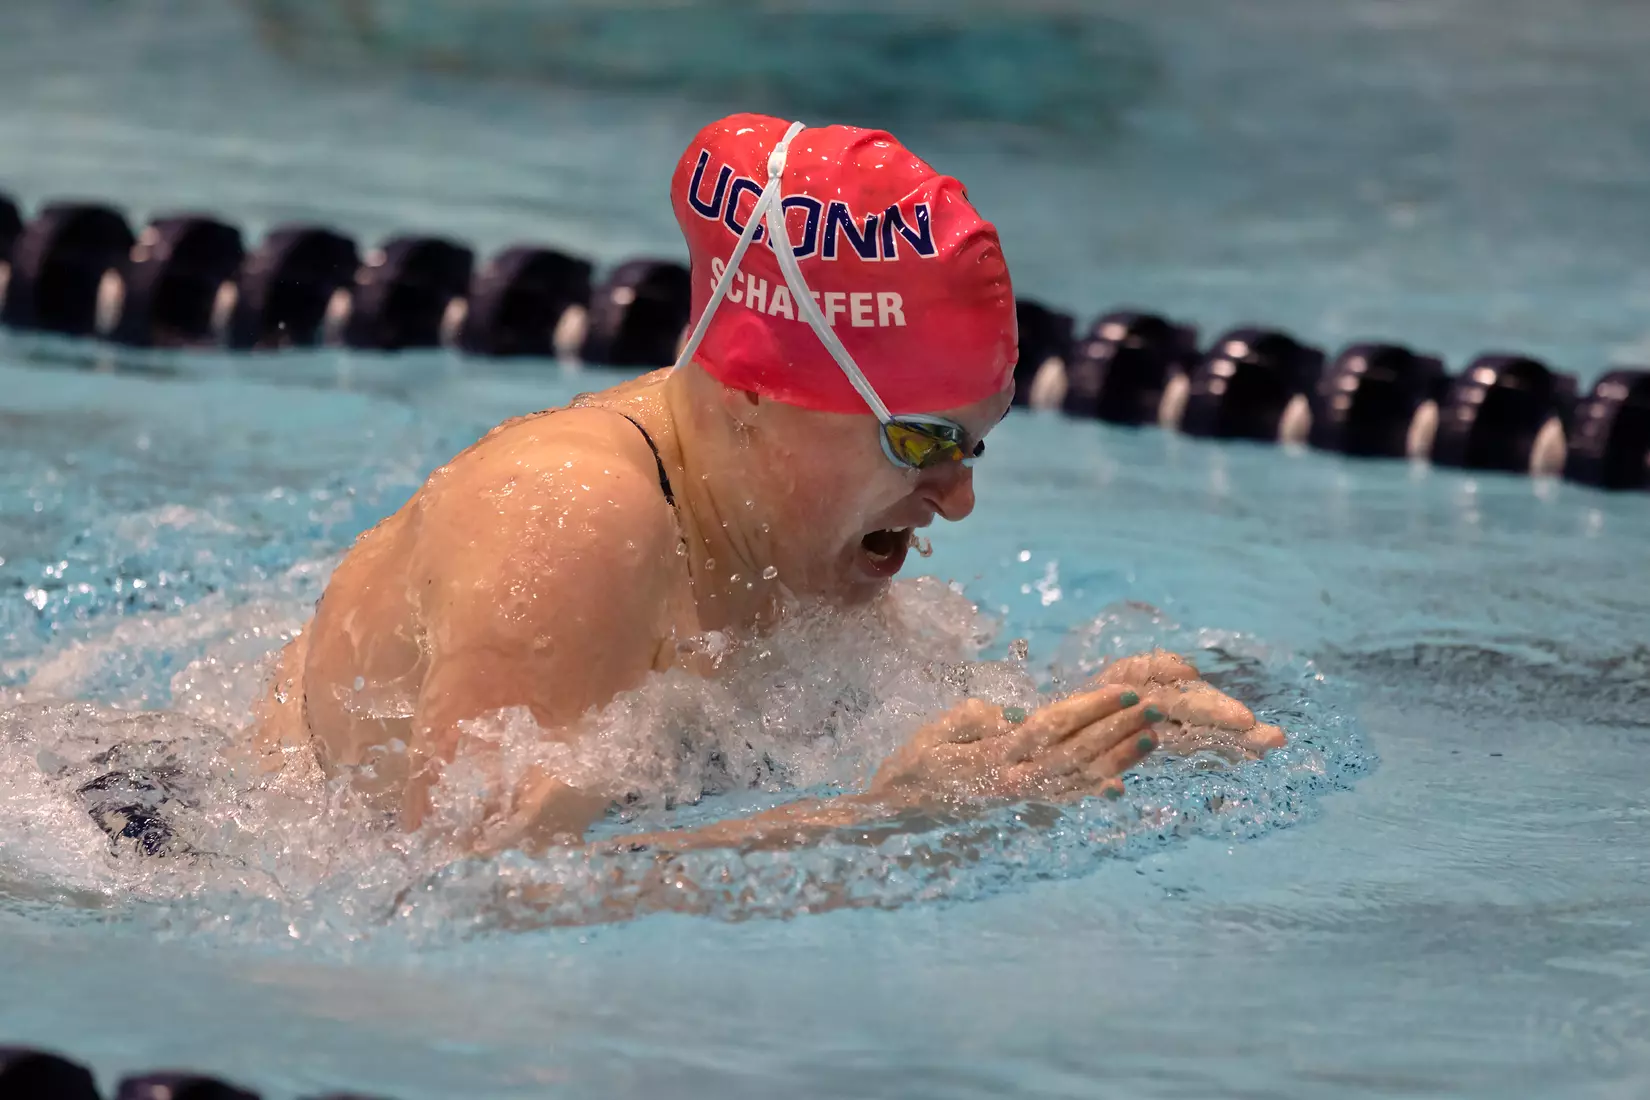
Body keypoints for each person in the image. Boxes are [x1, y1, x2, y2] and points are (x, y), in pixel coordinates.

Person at [254, 113, 1283, 856]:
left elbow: (909, 751)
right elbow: (459, 892)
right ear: (755, 388)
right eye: (920, 440)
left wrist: (1089, 732)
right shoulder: (573, 516)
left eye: (974, 443)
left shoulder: (780, 533)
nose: (958, 496)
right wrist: (876, 825)